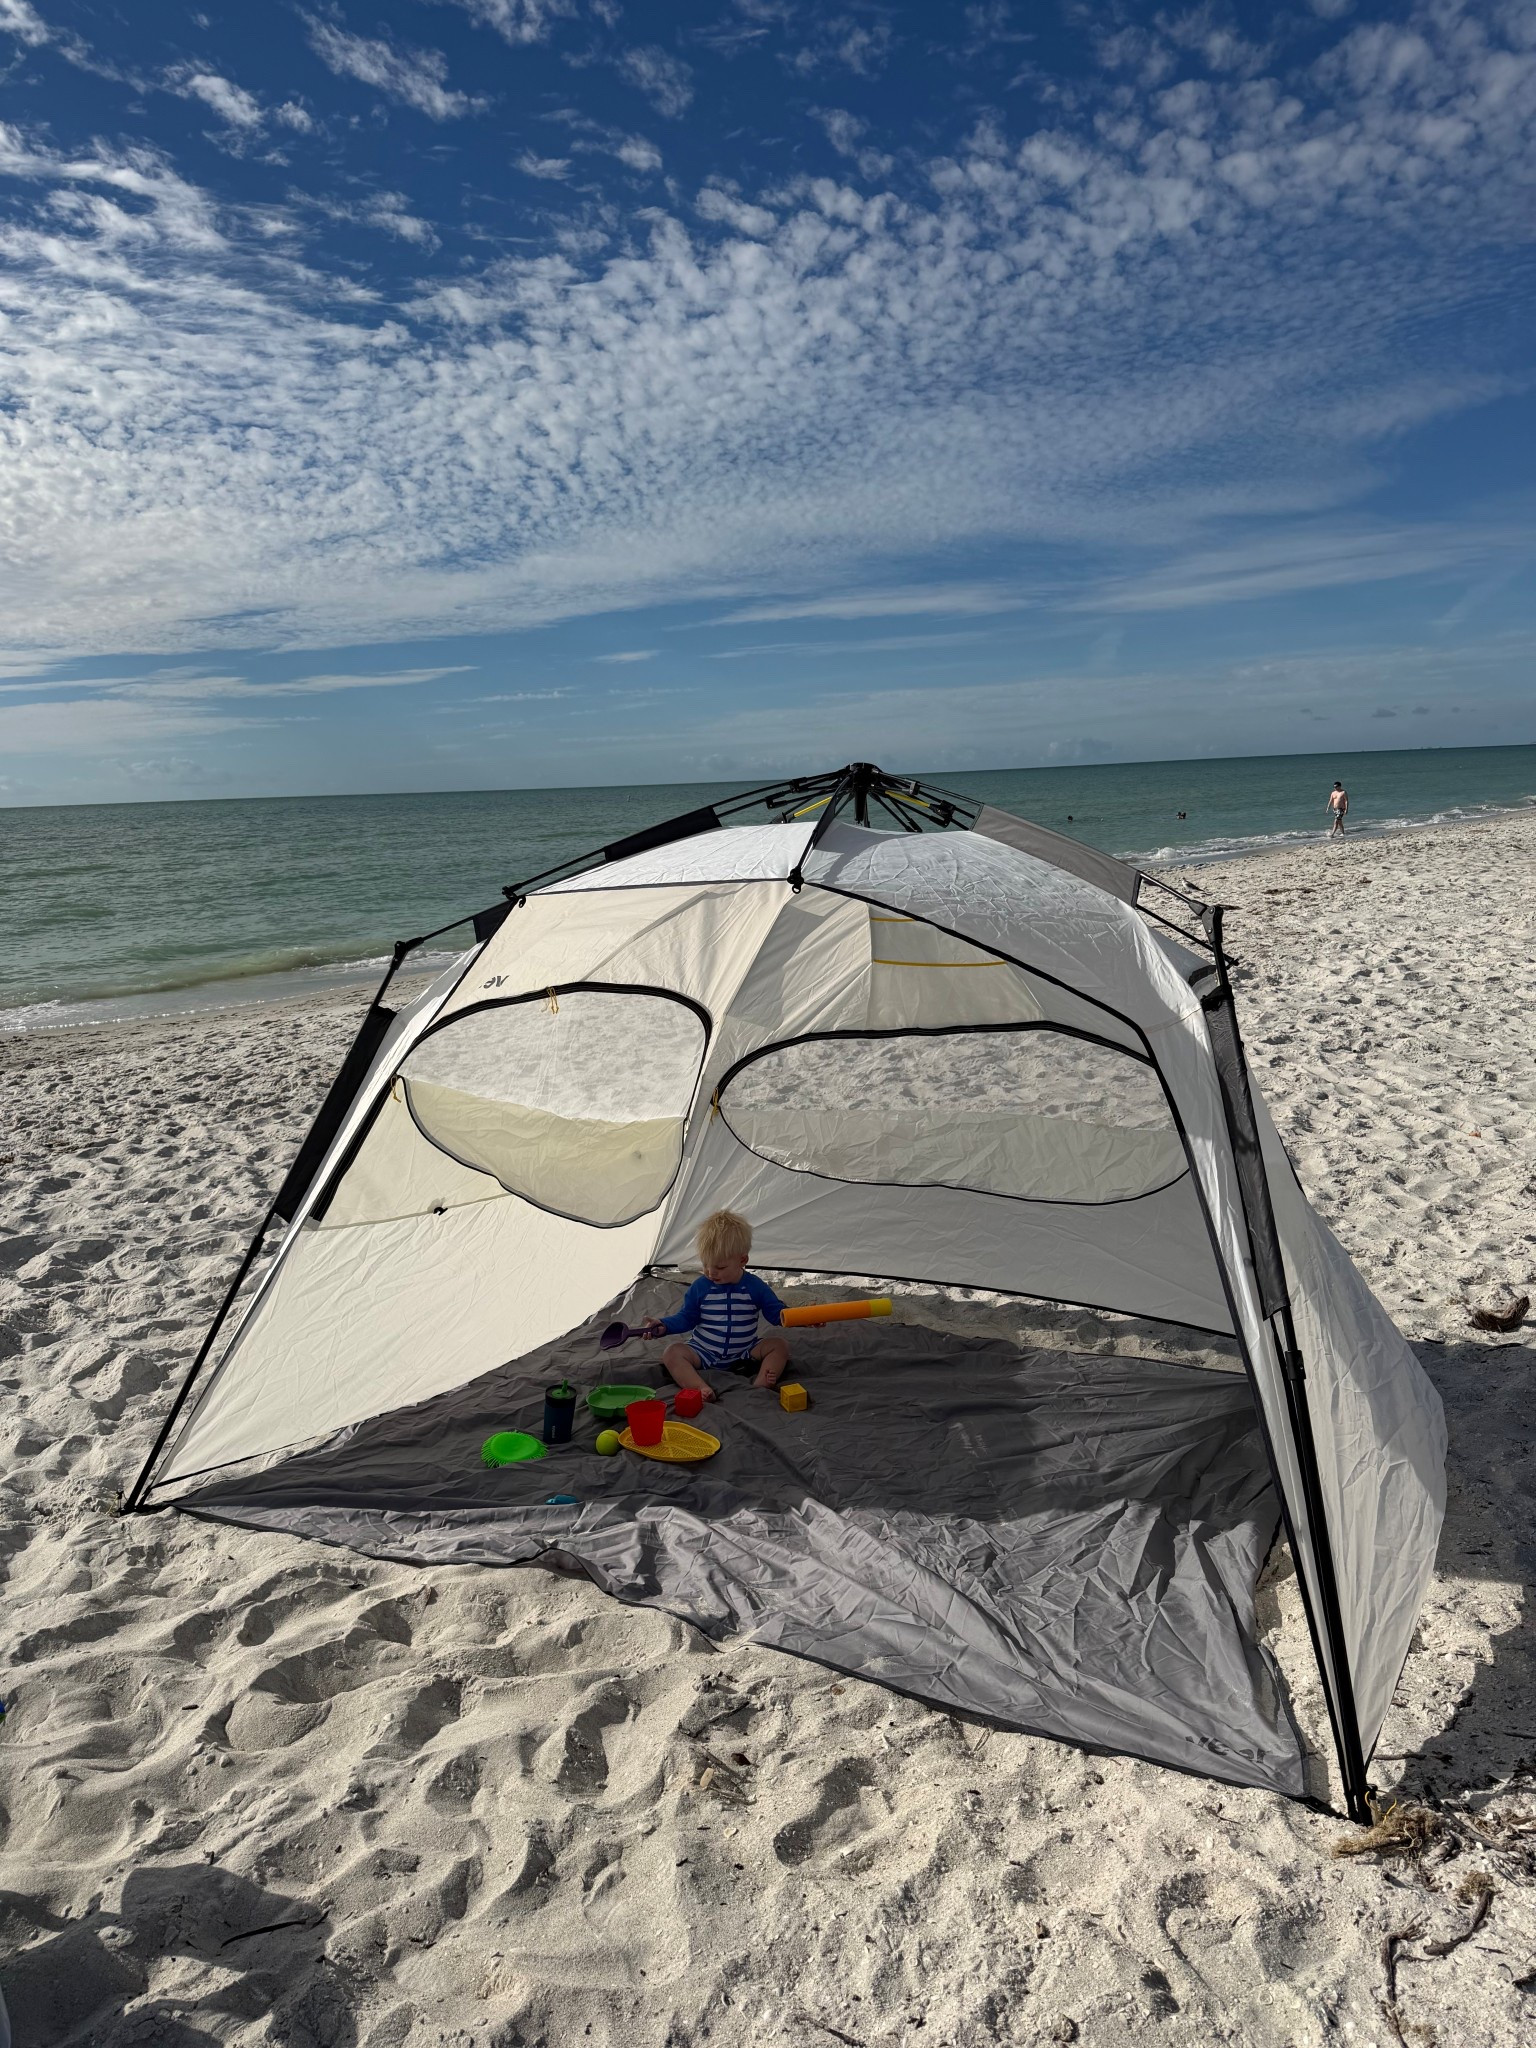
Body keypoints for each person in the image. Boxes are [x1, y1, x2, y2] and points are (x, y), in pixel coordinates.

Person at [639, 1208, 790, 1399]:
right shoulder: (700, 1287)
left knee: (780, 1345)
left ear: (742, 1260)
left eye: (720, 1267)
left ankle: (761, 1383)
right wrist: (664, 1325)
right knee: (672, 1353)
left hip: (744, 1352)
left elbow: (776, 1314)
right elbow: (686, 1318)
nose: (711, 1272)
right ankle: (700, 1388)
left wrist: (802, 1318)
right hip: (704, 1351)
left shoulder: (755, 1287)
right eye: (705, 1265)